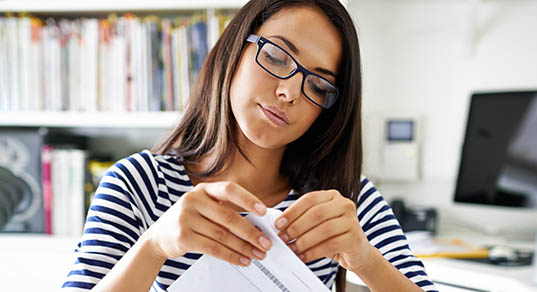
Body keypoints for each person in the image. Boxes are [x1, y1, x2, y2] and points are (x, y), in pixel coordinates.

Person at [62, 0, 438, 291]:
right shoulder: (138, 184)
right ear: (234, 51)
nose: (289, 91)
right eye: (275, 56)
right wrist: (154, 246)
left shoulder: (344, 197)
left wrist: (365, 260)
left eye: (318, 86)